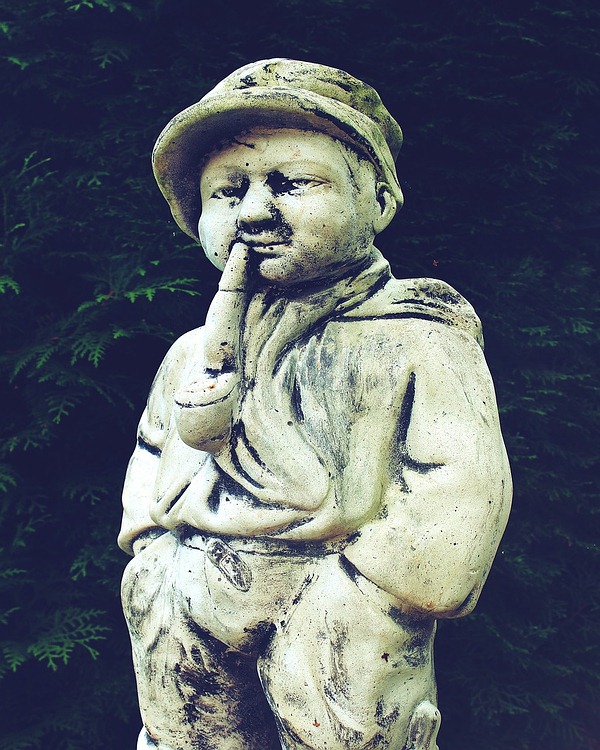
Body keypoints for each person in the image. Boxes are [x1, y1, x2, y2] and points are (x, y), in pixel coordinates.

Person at [119, 59, 512, 750]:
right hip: (188, 590)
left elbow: (460, 483)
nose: (254, 212)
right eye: (228, 191)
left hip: (334, 603)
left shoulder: (416, 338)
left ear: (378, 202)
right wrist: (153, 561)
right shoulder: (192, 352)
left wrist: (367, 591)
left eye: (292, 182)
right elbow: (154, 450)